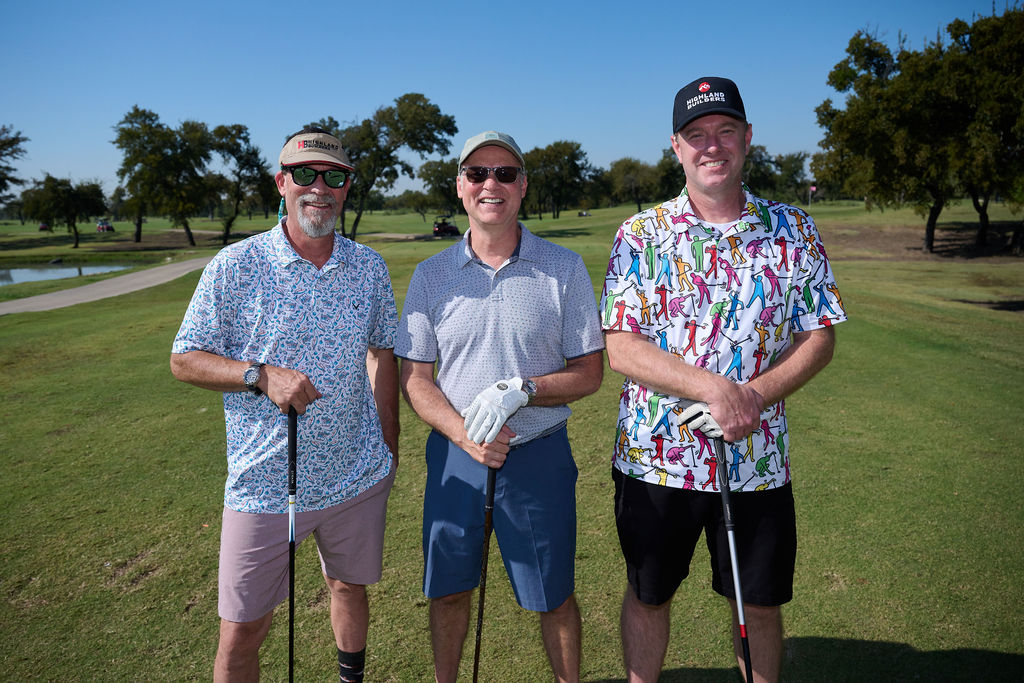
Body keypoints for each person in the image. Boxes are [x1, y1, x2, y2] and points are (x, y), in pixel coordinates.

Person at [601, 77, 847, 682]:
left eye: (725, 130)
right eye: (696, 135)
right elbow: (622, 347)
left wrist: (752, 397)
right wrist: (715, 390)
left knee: (758, 603)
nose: (711, 145)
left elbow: (818, 336)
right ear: (676, 147)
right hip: (658, 458)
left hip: (757, 459)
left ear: (747, 137)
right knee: (649, 594)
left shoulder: (793, 228)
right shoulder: (640, 234)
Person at [170, 127, 399, 683]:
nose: (319, 187)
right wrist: (258, 375)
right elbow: (184, 359)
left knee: (348, 589)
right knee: (242, 630)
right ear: (281, 182)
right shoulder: (234, 265)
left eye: (334, 177)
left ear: (347, 188)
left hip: (355, 476)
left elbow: (381, 354)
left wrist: (389, 448)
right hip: (264, 484)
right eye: (305, 174)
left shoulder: (368, 267)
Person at [396, 131, 605, 683]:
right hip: (455, 456)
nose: (491, 184)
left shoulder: (563, 268)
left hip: (538, 455)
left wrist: (525, 388)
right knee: (448, 590)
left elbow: (589, 373)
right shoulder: (430, 275)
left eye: (505, 173)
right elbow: (415, 378)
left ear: (523, 187)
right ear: (460, 187)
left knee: (552, 595)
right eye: (478, 173)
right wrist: (464, 433)